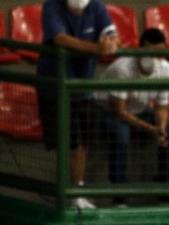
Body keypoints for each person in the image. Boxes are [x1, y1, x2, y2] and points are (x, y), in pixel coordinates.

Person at [36, 0, 118, 210]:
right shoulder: (52, 6)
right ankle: (63, 192)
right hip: (56, 88)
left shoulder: (97, 7)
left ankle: (77, 191)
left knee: (82, 144)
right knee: (68, 143)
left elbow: (110, 32)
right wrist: (96, 48)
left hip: (84, 88)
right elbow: (60, 39)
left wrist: (110, 42)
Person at [95, 28, 169, 207]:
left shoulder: (166, 69)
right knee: (121, 133)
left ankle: (166, 188)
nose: (156, 58)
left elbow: (161, 106)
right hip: (105, 111)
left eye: (160, 53)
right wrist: (150, 129)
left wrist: (160, 127)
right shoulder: (122, 68)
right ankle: (119, 193)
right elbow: (119, 112)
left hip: (139, 110)